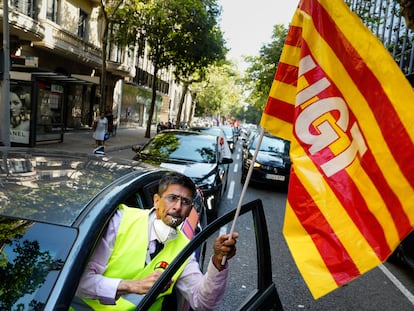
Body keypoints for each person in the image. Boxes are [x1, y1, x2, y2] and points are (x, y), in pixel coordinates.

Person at [74, 172, 238, 310]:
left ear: (189, 211)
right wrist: (131, 285)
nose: (178, 207)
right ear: (156, 201)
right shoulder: (120, 221)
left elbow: (202, 302)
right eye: (172, 198)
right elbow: (78, 283)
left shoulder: (183, 248)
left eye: (185, 202)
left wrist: (218, 261)